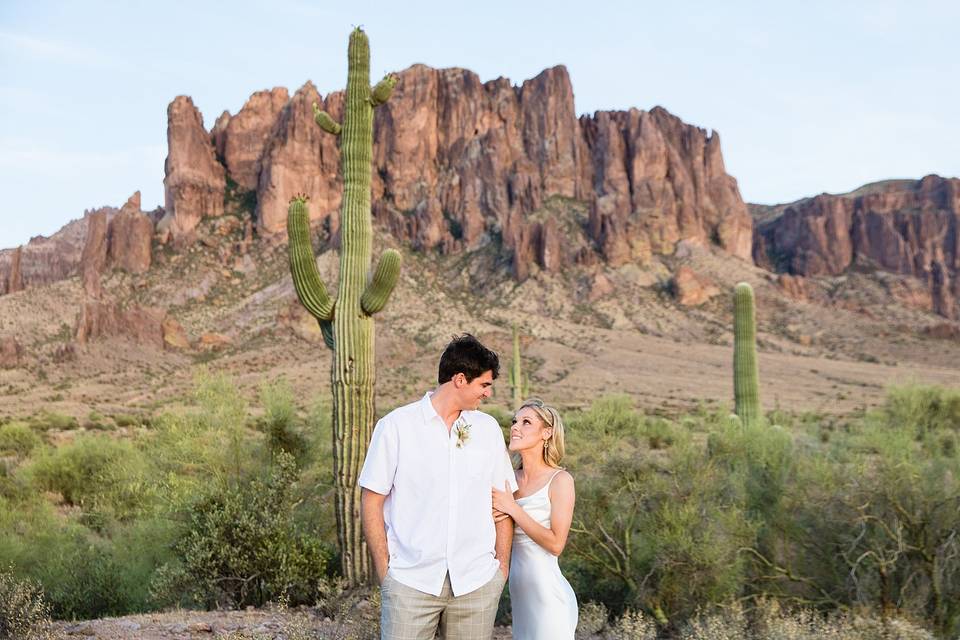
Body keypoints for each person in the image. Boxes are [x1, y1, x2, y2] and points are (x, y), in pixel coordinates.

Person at [359, 334, 518, 640]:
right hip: (411, 581)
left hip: (476, 584)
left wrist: (501, 568)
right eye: (484, 385)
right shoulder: (395, 427)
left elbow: (502, 500)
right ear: (460, 379)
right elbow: (371, 500)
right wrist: (385, 570)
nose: (487, 394)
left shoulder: (486, 431)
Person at [491, 398, 578, 639]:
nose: (516, 427)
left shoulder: (560, 481)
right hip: (520, 595)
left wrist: (512, 508)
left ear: (547, 433)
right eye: (515, 421)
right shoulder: (507, 478)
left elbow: (556, 544)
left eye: (526, 422)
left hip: (548, 596)